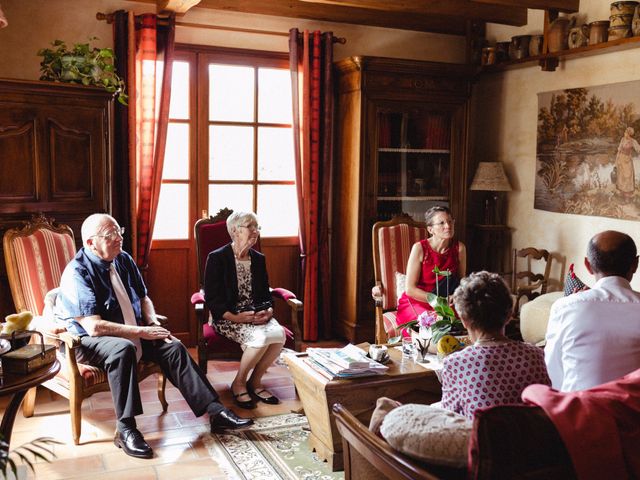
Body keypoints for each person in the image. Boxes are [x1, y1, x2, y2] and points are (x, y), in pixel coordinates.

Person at [54, 214, 253, 459]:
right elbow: (93, 327)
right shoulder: (77, 272)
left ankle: (215, 411)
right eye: (110, 235)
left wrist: (152, 322)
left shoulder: (124, 259)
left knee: (173, 346)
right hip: (86, 342)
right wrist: (142, 332)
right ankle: (126, 429)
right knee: (123, 349)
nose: (119, 239)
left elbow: (144, 297)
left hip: (131, 330)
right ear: (91, 243)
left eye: (119, 232)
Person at [440, 271, 551, 420]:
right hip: (531, 441)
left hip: (484, 441)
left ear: (464, 320)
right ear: (509, 315)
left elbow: (450, 421)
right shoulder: (537, 355)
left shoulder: (455, 364)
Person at [204, 211, 286, 410]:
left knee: (279, 335)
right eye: (250, 226)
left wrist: (268, 311)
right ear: (234, 230)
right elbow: (212, 298)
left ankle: (255, 382)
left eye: (257, 227)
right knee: (260, 339)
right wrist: (235, 317)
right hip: (227, 316)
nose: (255, 231)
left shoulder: (258, 259)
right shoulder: (217, 258)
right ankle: (239, 382)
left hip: (254, 314)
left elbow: (265, 292)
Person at [545, 230, 640, 391]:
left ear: (588, 265)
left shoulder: (564, 307)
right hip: (630, 412)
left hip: (576, 409)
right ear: (635, 264)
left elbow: (552, 369)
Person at [395, 206, 466, 329]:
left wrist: (454, 296)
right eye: (442, 223)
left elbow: (461, 282)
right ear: (430, 229)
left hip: (447, 303)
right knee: (428, 324)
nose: (448, 226)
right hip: (420, 300)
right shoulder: (419, 248)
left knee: (455, 325)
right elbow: (410, 289)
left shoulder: (460, 248)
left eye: (450, 221)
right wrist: (437, 300)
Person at [614, 126, 640, 200]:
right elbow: (619, 151)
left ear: (629, 134)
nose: (624, 133)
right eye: (625, 132)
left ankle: (627, 197)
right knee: (621, 177)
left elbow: (638, 149)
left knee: (627, 177)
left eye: (626, 132)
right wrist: (616, 162)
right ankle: (622, 195)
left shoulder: (633, 141)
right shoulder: (622, 139)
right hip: (621, 160)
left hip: (628, 161)